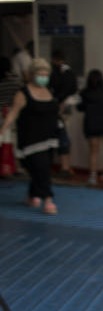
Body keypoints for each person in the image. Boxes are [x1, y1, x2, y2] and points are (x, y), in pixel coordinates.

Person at [0, 58, 60, 214]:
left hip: (49, 138)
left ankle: (32, 194)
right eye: (40, 74)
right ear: (33, 75)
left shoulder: (49, 91)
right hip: (31, 140)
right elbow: (13, 113)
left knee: (43, 168)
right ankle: (48, 200)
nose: (43, 77)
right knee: (41, 169)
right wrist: (1, 131)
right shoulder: (23, 93)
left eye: (46, 74)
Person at [50, 50, 78, 176]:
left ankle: (65, 166)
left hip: (61, 108)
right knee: (63, 136)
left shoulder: (65, 73)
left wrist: (60, 104)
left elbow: (65, 90)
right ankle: (66, 166)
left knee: (62, 137)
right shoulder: (67, 72)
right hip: (63, 107)